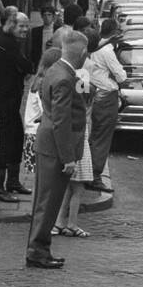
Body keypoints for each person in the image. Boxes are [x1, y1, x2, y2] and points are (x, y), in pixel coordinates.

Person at [26, 30, 90, 269]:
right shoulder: (65, 78)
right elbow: (62, 121)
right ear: (82, 53)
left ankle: (39, 248)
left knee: (44, 201)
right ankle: (38, 251)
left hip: (47, 143)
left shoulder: (55, 70)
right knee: (49, 203)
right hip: (56, 148)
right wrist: (68, 158)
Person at [0, 11, 35, 202]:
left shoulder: (10, 40)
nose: (25, 29)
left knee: (16, 137)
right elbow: (25, 65)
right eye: (21, 26)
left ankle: (13, 182)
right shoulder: (7, 42)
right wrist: (26, 67)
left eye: (27, 25)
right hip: (6, 98)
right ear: (11, 25)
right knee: (5, 141)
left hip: (12, 97)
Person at [53, 51, 96, 239]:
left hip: (74, 144)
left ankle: (59, 222)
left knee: (69, 188)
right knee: (78, 189)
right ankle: (71, 223)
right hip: (80, 147)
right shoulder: (86, 102)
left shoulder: (75, 97)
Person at [84, 18, 127, 193]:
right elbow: (122, 76)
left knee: (94, 135)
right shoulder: (108, 51)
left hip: (93, 93)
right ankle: (95, 176)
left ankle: (88, 172)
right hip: (106, 96)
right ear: (115, 32)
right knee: (103, 136)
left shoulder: (95, 46)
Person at [23, 49, 61, 179]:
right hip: (38, 135)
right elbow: (47, 109)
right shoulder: (44, 83)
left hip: (31, 134)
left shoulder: (38, 79)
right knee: (44, 179)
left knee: (40, 179)